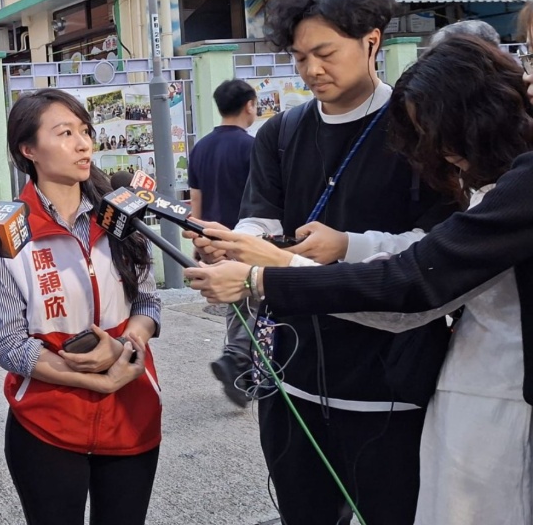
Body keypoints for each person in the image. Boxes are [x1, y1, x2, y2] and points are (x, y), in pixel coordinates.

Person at [186, 35, 533, 523]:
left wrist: (266, 275)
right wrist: (346, 245)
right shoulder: (281, 132)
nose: (312, 70)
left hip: (487, 401)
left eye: (324, 53)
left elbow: (411, 285)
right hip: (393, 386)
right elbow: (428, 257)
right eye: (300, 57)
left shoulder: (517, 183)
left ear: (371, 40)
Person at [0, 88, 161, 525]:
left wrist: (129, 343)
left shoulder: (121, 217)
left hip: (131, 410)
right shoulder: (6, 231)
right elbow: (8, 344)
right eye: (65, 133)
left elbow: (149, 301)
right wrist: (84, 378)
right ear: (29, 150)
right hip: (47, 423)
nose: (83, 144)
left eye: (85, 131)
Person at [187, 78, 257, 407]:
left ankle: (242, 371)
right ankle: (236, 359)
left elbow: (195, 202)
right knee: (256, 298)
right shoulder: (252, 147)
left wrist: (198, 242)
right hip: (246, 240)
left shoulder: (201, 147)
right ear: (250, 105)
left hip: (212, 240)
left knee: (238, 305)